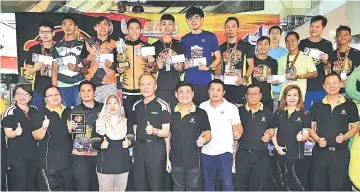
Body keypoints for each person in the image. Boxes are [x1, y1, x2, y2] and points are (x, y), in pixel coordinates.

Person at [309, 73, 359, 191]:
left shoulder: (349, 105)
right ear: (324, 86)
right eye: (328, 83)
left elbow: (355, 126)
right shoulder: (317, 106)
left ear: (341, 84)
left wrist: (345, 137)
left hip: (340, 153)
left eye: (335, 83)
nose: (332, 86)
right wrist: (317, 139)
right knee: (319, 186)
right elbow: (311, 127)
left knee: (339, 186)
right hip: (320, 153)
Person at [199, 79, 243, 191]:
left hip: (225, 152)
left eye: (218, 90)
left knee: (227, 183)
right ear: (208, 91)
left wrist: (238, 133)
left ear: (223, 92)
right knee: (208, 183)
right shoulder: (202, 106)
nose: (215, 92)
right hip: (206, 151)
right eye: (212, 89)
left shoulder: (231, 108)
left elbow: (238, 126)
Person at [130, 73, 171, 190]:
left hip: (156, 149)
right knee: (139, 186)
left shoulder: (163, 105)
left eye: (149, 84)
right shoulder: (136, 105)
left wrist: (154, 131)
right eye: (142, 84)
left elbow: (166, 132)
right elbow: (134, 129)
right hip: (139, 149)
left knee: (156, 186)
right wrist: (133, 151)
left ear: (155, 86)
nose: (145, 87)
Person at [169, 81, 211, 191]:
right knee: (177, 188)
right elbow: (166, 136)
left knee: (192, 189)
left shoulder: (201, 113)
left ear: (193, 94)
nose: (184, 95)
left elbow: (207, 133)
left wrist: (204, 140)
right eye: (181, 92)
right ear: (176, 95)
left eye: (188, 92)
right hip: (175, 160)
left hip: (194, 161)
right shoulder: (170, 113)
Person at [31, 86, 73, 191]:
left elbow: (77, 136)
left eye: (56, 94)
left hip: (69, 162)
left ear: (61, 96)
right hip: (50, 164)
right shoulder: (40, 115)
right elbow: (36, 136)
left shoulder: (70, 112)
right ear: (45, 99)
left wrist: (72, 130)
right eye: (50, 95)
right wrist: (44, 127)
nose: (54, 97)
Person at [235, 84, 275, 191]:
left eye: (256, 94)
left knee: (259, 187)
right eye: (250, 94)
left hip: (261, 155)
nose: (253, 96)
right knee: (241, 186)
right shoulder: (239, 112)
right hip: (243, 154)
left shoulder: (268, 112)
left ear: (260, 95)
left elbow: (272, 129)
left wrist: (269, 135)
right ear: (246, 96)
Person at [272, 84, 311, 190]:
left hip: (296, 156)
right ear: (284, 97)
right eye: (289, 95)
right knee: (281, 184)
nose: (292, 98)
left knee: (296, 184)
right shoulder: (278, 113)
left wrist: (302, 137)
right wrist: (276, 147)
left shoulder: (305, 114)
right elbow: (274, 131)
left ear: (299, 97)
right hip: (280, 153)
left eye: (295, 95)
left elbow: (307, 133)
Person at [91, 95, 133, 191]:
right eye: (109, 103)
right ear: (105, 106)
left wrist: (129, 142)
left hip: (123, 165)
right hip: (105, 166)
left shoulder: (126, 122)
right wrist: (101, 145)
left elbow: (132, 137)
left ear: (119, 105)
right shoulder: (99, 123)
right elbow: (94, 142)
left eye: (115, 103)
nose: (112, 106)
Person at [181, 7, 222, 105]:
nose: (193, 21)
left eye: (196, 18)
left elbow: (218, 58)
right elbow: (182, 60)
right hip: (189, 82)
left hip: (205, 81)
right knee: (190, 111)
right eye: (190, 19)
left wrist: (208, 68)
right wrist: (183, 65)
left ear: (202, 20)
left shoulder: (210, 36)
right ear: (187, 21)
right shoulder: (184, 39)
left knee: (205, 111)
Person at [1, 85, 39, 191]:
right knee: (19, 184)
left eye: (26, 94)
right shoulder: (10, 110)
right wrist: (16, 133)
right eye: (19, 94)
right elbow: (7, 133)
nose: (22, 96)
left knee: (32, 183)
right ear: (14, 96)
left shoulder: (35, 110)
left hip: (33, 152)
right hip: (17, 154)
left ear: (30, 97)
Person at [67, 80, 102, 191]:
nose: (86, 93)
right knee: (83, 187)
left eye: (89, 90)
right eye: (83, 91)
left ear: (95, 92)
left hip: (101, 155)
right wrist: (70, 130)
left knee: (99, 187)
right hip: (81, 157)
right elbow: (69, 135)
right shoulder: (74, 111)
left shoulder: (104, 108)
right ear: (79, 94)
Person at [117, 18, 155, 119]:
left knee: (144, 117)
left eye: (137, 28)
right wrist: (119, 69)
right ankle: (130, 134)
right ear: (127, 30)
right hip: (127, 90)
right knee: (129, 118)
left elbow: (153, 69)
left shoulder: (147, 46)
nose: (134, 31)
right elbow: (116, 66)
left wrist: (151, 63)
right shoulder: (120, 47)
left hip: (143, 89)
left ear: (141, 31)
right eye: (131, 28)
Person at [299, 15, 334, 110]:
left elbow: (329, 67)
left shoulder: (327, 44)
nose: (314, 29)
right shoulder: (302, 43)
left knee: (319, 113)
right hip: (303, 85)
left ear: (323, 28)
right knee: (304, 114)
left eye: (317, 26)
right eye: (312, 26)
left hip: (320, 85)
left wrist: (326, 61)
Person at [51, 15, 86, 107]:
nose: (68, 27)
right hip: (62, 85)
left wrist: (78, 69)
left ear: (76, 27)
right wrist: (54, 89)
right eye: (64, 25)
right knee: (64, 114)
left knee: (80, 114)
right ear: (62, 27)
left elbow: (88, 68)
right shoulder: (56, 47)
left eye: (70, 24)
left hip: (79, 84)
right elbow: (55, 69)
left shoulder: (83, 45)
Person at [220, 17, 254, 108]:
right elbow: (218, 68)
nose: (230, 29)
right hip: (225, 86)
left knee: (239, 115)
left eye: (233, 26)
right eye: (227, 27)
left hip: (239, 86)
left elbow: (251, 66)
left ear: (238, 29)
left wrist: (244, 79)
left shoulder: (246, 45)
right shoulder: (221, 47)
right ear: (225, 29)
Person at [82, 16, 118, 103]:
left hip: (109, 83)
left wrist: (112, 65)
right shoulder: (88, 42)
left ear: (109, 28)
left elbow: (121, 64)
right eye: (99, 25)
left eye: (105, 24)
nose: (102, 27)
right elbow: (82, 63)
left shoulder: (115, 44)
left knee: (110, 112)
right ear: (95, 28)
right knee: (93, 112)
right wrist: (86, 60)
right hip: (91, 83)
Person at [153, 14, 185, 110]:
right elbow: (152, 69)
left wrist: (180, 68)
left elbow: (182, 68)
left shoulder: (180, 45)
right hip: (161, 84)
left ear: (174, 27)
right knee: (162, 111)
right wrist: (157, 66)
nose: (167, 27)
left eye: (170, 24)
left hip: (176, 84)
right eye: (164, 24)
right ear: (160, 27)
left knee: (176, 111)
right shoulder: (154, 46)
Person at [278, 31, 318, 100]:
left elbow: (315, 73)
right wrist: (276, 81)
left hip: (299, 97)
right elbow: (280, 77)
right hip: (283, 97)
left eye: (293, 41)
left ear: (298, 41)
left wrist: (298, 76)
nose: (290, 43)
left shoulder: (306, 57)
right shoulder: (281, 59)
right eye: (287, 41)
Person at [25, 20, 54, 109]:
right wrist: (35, 68)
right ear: (39, 33)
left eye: (47, 32)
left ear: (53, 33)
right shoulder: (33, 49)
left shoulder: (59, 49)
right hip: (39, 88)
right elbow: (28, 71)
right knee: (39, 115)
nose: (45, 34)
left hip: (56, 87)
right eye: (42, 32)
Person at [252, 36, 278, 111]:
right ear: (256, 46)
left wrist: (276, 82)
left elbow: (274, 79)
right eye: (260, 44)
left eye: (266, 44)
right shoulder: (250, 60)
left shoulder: (273, 62)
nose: (263, 47)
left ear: (269, 46)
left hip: (267, 97)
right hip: (252, 96)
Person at [332, 25, 360, 94]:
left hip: (353, 89)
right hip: (336, 89)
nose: (343, 37)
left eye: (346, 35)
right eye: (340, 35)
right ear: (336, 38)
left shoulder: (357, 53)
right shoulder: (331, 54)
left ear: (350, 37)